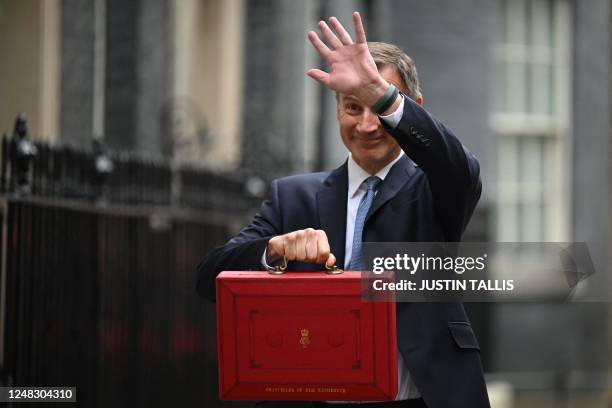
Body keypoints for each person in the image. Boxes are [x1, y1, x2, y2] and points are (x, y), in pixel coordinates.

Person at [197, 12, 490, 408]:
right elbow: (210, 276)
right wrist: (275, 249)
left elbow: (461, 167)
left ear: (411, 106)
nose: (367, 124)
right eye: (354, 107)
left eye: (379, 107)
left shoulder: (437, 187)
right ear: (337, 109)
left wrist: (382, 96)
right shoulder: (293, 196)